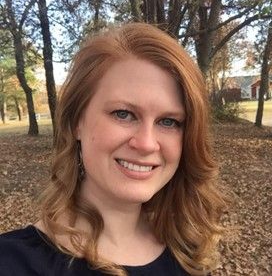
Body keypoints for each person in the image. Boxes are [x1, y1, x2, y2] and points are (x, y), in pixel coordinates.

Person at [0, 23, 227, 275]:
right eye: (124, 114)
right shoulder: (12, 263)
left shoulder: (187, 252)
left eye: (168, 121)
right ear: (77, 122)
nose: (146, 143)